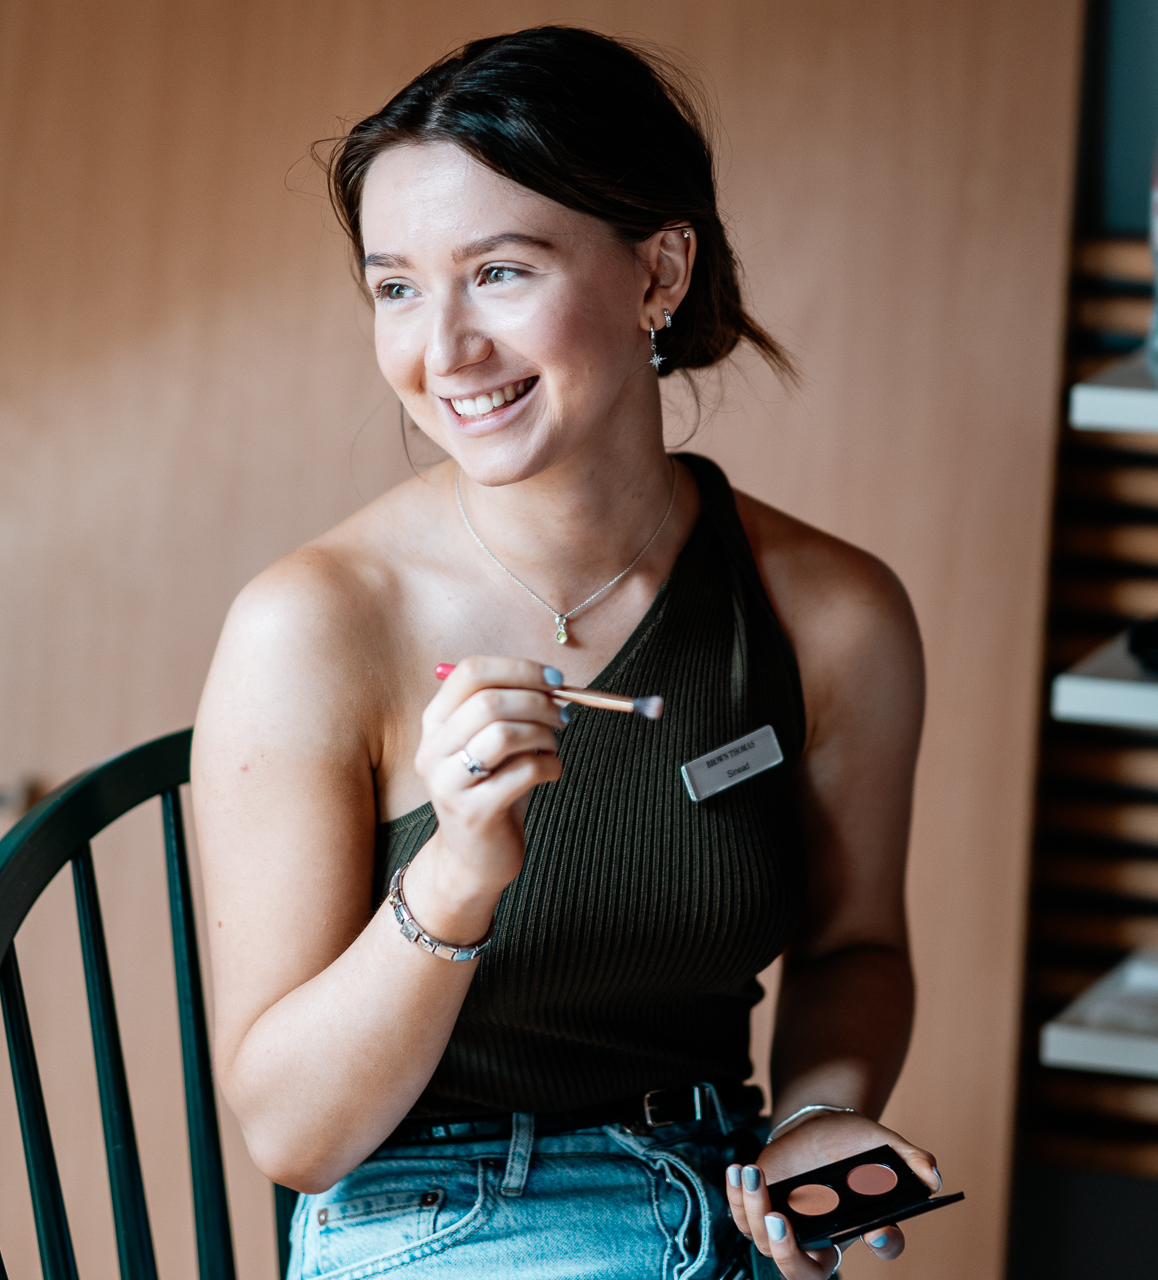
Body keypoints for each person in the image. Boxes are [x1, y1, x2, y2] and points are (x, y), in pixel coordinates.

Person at [193, 27, 937, 1280]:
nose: (444, 350)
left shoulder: (832, 614)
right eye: (394, 287)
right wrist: (456, 875)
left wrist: (814, 1118)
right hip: (439, 1216)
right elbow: (293, 1131)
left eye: (499, 271)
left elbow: (857, 947)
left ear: (661, 269)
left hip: (729, 1196)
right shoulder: (314, 623)